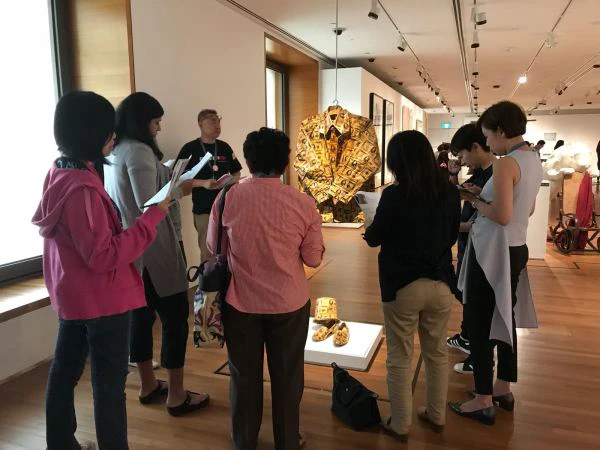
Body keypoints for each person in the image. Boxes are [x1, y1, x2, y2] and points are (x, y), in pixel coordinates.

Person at [33, 91, 171, 449]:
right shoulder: (82, 189)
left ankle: (61, 443)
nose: (114, 136)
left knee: (64, 373)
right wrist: (153, 216)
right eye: (109, 130)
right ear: (91, 133)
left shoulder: (62, 171)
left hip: (74, 295)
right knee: (108, 384)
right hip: (102, 300)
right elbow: (104, 255)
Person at [207, 127, 324, 450]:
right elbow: (313, 258)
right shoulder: (303, 202)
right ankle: (287, 440)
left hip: (240, 303)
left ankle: (245, 441)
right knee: (287, 378)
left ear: (246, 161)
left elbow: (213, 248)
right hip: (289, 303)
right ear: (285, 163)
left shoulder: (228, 197)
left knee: (244, 378)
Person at [104, 92, 211, 416]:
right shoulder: (137, 152)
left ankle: (149, 385)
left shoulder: (116, 151)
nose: (159, 127)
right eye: (155, 121)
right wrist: (183, 187)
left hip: (132, 251)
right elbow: (149, 204)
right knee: (176, 318)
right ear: (142, 121)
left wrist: (183, 178)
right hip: (154, 249)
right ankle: (176, 395)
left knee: (141, 317)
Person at [449, 101, 542, 425]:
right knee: (505, 317)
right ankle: (503, 387)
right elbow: (523, 211)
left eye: (489, 135)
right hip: (516, 247)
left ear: (501, 131)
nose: (487, 142)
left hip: (492, 251)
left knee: (478, 323)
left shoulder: (505, 164)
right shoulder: (532, 159)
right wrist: (485, 197)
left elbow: (501, 216)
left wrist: (473, 199)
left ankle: (483, 397)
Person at [363, 130, 460, 441]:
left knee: (400, 356)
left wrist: (369, 224)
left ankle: (401, 424)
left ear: (396, 162)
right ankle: (436, 414)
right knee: (436, 353)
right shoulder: (448, 191)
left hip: (402, 284)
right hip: (441, 282)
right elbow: (452, 236)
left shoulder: (394, 194)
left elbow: (375, 237)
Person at [446, 124, 495, 375]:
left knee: (476, 302)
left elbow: (490, 218)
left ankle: (479, 357)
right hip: (470, 246)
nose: (462, 161)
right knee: (466, 294)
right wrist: (455, 178)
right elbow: (465, 201)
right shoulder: (481, 174)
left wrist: (455, 227)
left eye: (463, 155)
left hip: (481, 247)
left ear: (476, 147)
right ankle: (468, 338)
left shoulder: (495, 174)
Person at [176, 109, 242, 264]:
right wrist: (203, 183)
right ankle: (208, 287)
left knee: (231, 250)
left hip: (227, 208)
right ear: (200, 123)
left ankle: (226, 287)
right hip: (204, 210)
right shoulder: (190, 149)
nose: (217, 124)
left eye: (218, 120)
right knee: (208, 253)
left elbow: (237, 172)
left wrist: (230, 182)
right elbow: (178, 179)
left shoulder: (225, 147)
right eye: (212, 120)